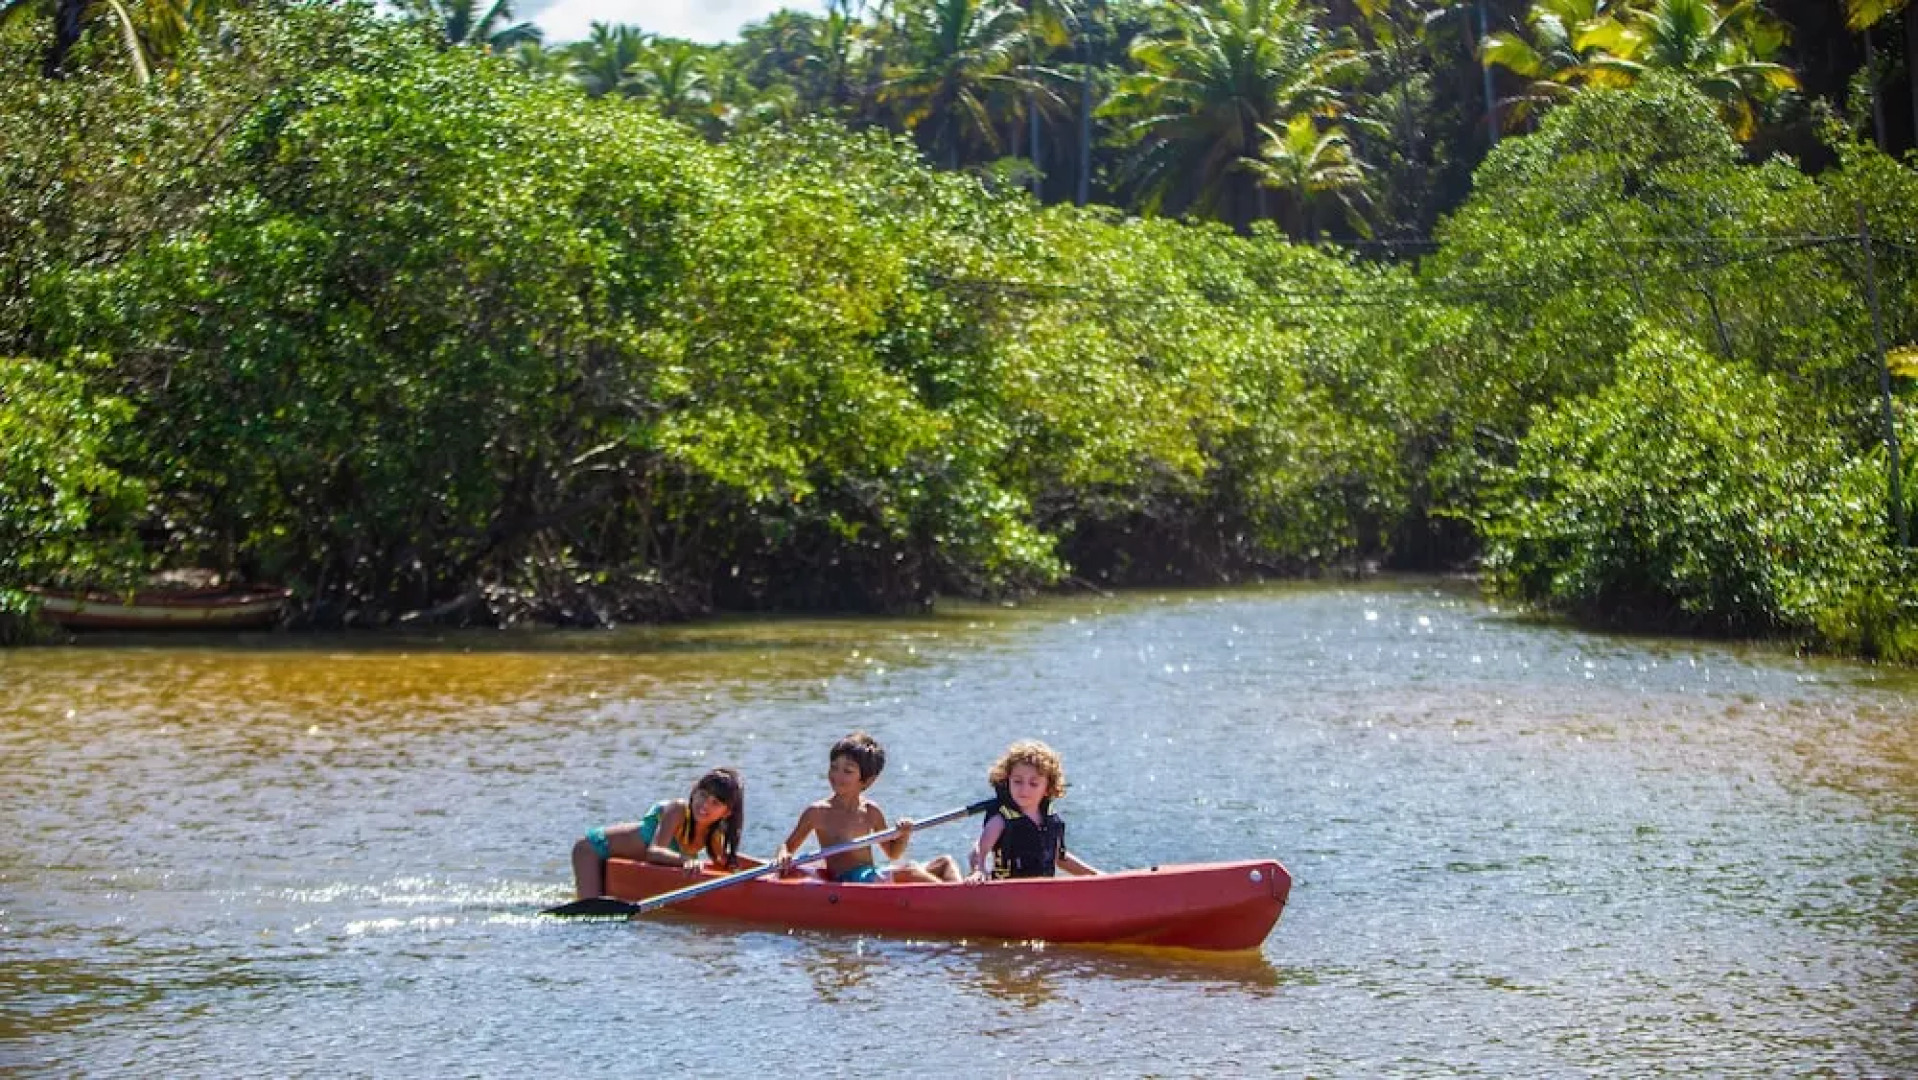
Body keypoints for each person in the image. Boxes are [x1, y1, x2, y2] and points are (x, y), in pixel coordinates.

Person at [774, 731, 960, 884]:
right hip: (848, 880)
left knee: (945, 862)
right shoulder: (817, 812)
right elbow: (788, 846)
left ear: (867, 780)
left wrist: (904, 834)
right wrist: (783, 855)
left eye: (847, 771)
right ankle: (956, 900)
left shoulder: (871, 811)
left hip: (870, 874)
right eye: (834, 767)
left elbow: (893, 853)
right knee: (909, 871)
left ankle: (963, 895)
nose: (837, 775)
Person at [570, 766, 746, 899]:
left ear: (727, 812)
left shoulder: (713, 833)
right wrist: (687, 861)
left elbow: (726, 862)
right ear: (694, 791)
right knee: (590, 913)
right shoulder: (678, 810)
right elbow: (654, 852)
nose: (705, 804)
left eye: (715, 803)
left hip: (616, 863)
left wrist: (766, 866)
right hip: (592, 850)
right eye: (703, 795)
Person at [966, 740, 1099, 882]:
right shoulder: (1001, 819)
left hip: (1041, 891)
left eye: (1033, 784)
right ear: (1007, 781)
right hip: (1006, 891)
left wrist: (1095, 875)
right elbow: (978, 850)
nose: (1024, 790)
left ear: (1048, 788)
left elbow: (1059, 858)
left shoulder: (1050, 820)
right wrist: (979, 869)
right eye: (1017, 781)